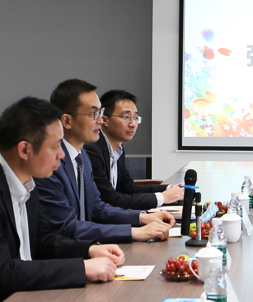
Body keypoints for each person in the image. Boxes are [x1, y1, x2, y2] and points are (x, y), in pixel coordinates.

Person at [0, 97, 125, 302]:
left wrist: (89, 249)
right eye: (55, 146)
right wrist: (82, 268)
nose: (61, 155)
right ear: (25, 149)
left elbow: (43, 240)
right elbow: (3, 273)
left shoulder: (26, 179)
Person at [37, 80, 172, 243]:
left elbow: (97, 208)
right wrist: (133, 232)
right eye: (93, 114)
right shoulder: (50, 164)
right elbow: (66, 227)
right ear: (67, 121)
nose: (100, 121)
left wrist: (142, 217)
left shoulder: (82, 156)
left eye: (100, 113)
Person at [84, 89, 184, 211]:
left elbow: (128, 188)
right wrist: (162, 197)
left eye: (135, 118)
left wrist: (170, 189)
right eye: (126, 117)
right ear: (104, 120)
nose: (133, 124)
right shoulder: (93, 149)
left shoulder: (118, 149)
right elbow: (110, 199)